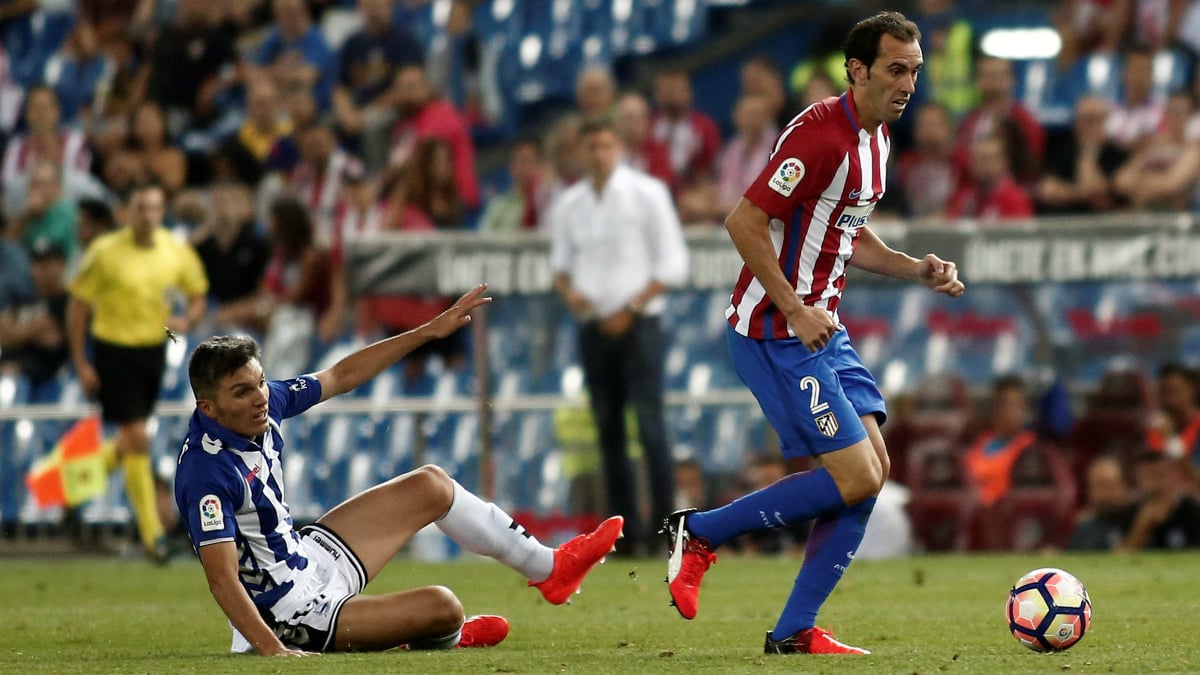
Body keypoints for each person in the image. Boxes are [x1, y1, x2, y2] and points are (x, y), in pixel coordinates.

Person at [662, 11, 965, 656]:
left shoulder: (878, 137)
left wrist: (915, 269)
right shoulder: (821, 135)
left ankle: (794, 631)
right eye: (895, 69)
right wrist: (796, 307)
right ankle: (702, 532)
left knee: (872, 472)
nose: (908, 83)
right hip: (775, 331)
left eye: (914, 70)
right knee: (856, 476)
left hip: (822, 328)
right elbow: (743, 221)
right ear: (857, 70)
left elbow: (844, 233)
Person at [174, 286, 625, 655]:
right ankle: (433, 634)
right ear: (208, 406)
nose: (260, 397)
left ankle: (550, 568)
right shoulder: (204, 473)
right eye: (242, 392)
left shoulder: (262, 403)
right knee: (444, 607)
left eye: (259, 382)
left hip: (306, 561)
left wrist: (428, 332)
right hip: (290, 614)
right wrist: (272, 649)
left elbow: (342, 374)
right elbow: (222, 578)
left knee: (430, 484)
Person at [548, 116, 689, 556]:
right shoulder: (569, 203)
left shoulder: (648, 195)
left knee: (650, 428)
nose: (599, 154)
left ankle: (666, 530)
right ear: (581, 152)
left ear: (619, 148)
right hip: (593, 326)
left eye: (606, 146)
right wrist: (571, 295)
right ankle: (627, 537)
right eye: (591, 147)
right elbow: (560, 267)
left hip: (639, 323)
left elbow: (673, 264)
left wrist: (630, 308)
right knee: (608, 432)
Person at [67, 182, 209, 562]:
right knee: (136, 437)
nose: (147, 215)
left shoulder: (173, 251)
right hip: (113, 352)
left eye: (154, 208)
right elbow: (78, 308)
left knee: (130, 442)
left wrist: (187, 319)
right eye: (140, 207)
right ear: (126, 212)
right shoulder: (105, 252)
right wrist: (81, 362)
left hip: (152, 353)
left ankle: (74, 483)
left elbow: (197, 294)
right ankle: (154, 539)